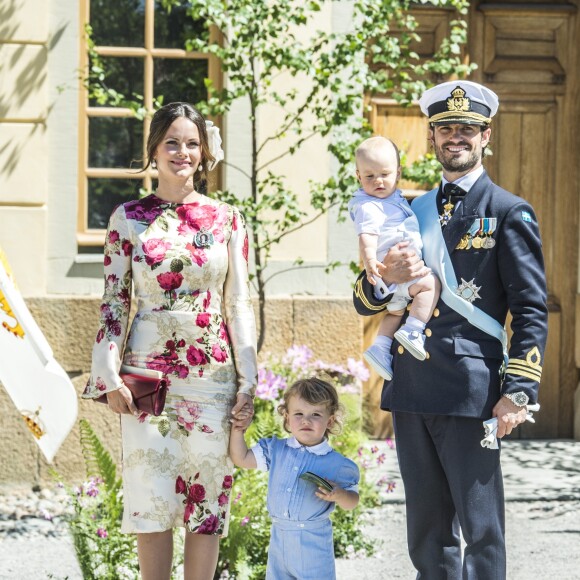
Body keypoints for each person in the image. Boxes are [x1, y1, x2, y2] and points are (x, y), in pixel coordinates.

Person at [352, 80, 548, 579]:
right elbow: (365, 296)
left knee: (481, 532)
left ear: (486, 137)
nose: (455, 137)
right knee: (427, 533)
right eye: (445, 129)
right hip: (413, 386)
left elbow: (529, 308)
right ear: (432, 137)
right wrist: (384, 283)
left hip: (472, 391)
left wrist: (519, 391)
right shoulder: (406, 209)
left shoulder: (508, 212)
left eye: (467, 129)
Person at [82, 102, 257, 580]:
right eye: (172, 142)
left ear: (204, 153)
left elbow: (238, 302)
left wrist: (249, 380)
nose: (183, 152)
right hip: (147, 379)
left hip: (213, 377)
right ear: (155, 150)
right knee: (150, 499)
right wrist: (108, 374)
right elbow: (114, 303)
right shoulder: (127, 217)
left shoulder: (227, 219)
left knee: (207, 504)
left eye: (192, 143)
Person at [229, 377, 360, 580]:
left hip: (313, 544)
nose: (306, 420)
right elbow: (242, 458)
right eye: (298, 414)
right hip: (279, 539)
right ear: (287, 418)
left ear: (330, 420)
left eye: (315, 414)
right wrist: (238, 430)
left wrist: (340, 494)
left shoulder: (337, 463)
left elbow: (352, 502)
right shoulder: (276, 450)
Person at [349, 136, 440, 380]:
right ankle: (413, 330)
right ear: (359, 176)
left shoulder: (399, 201)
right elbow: (366, 237)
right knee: (430, 284)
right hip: (408, 373)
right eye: (370, 176)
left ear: (398, 173)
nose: (378, 181)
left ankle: (380, 346)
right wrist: (381, 274)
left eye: (384, 174)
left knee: (395, 313)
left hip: (456, 362)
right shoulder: (379, 205)